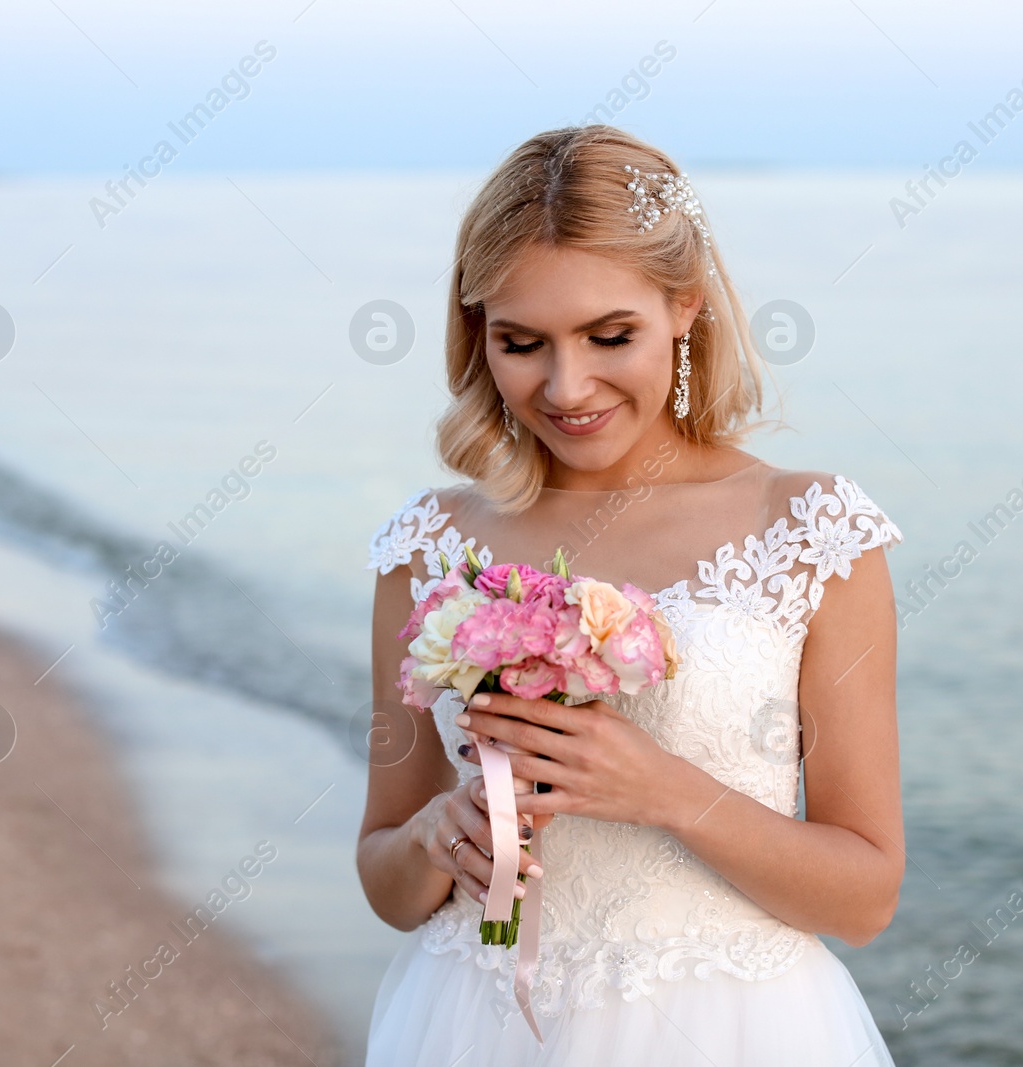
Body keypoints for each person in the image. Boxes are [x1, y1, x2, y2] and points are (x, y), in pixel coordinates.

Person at [357, 123, 904, 1066]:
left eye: (611, 336)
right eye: (521, 342)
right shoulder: (428, 542)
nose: (568, 387)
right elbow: (383, 877)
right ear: (475, 330)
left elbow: (864, 897)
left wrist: (661, 790)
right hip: (474, 1023)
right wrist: (436, 839)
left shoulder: (811, 530)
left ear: (685, 307)